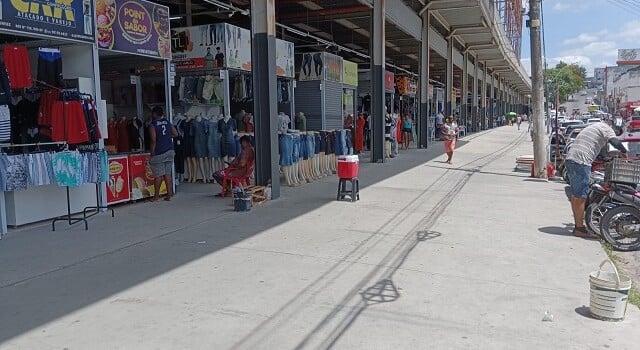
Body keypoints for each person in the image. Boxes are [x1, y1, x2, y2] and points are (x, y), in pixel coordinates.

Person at [565, 122, 628, 237]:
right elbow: (615, 142)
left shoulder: (596, 128)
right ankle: (579, 228)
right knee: (580, 197)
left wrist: (606, 159)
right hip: (581, 162)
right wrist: (624, 152)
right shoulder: (607, 129)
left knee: (576, 196)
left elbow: (602, 153)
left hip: (571, 159)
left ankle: (578, 225)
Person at [149, 106, 178, 202]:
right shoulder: (167, 122)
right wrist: (167, 138)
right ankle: (169, 194)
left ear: (154, 114)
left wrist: (152, 153)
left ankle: (156, 196)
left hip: (159, 152)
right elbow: (176, 134)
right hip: (170, 150)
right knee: (167, 173)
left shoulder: (153, 125)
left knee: (158, 175)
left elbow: (153, 140)